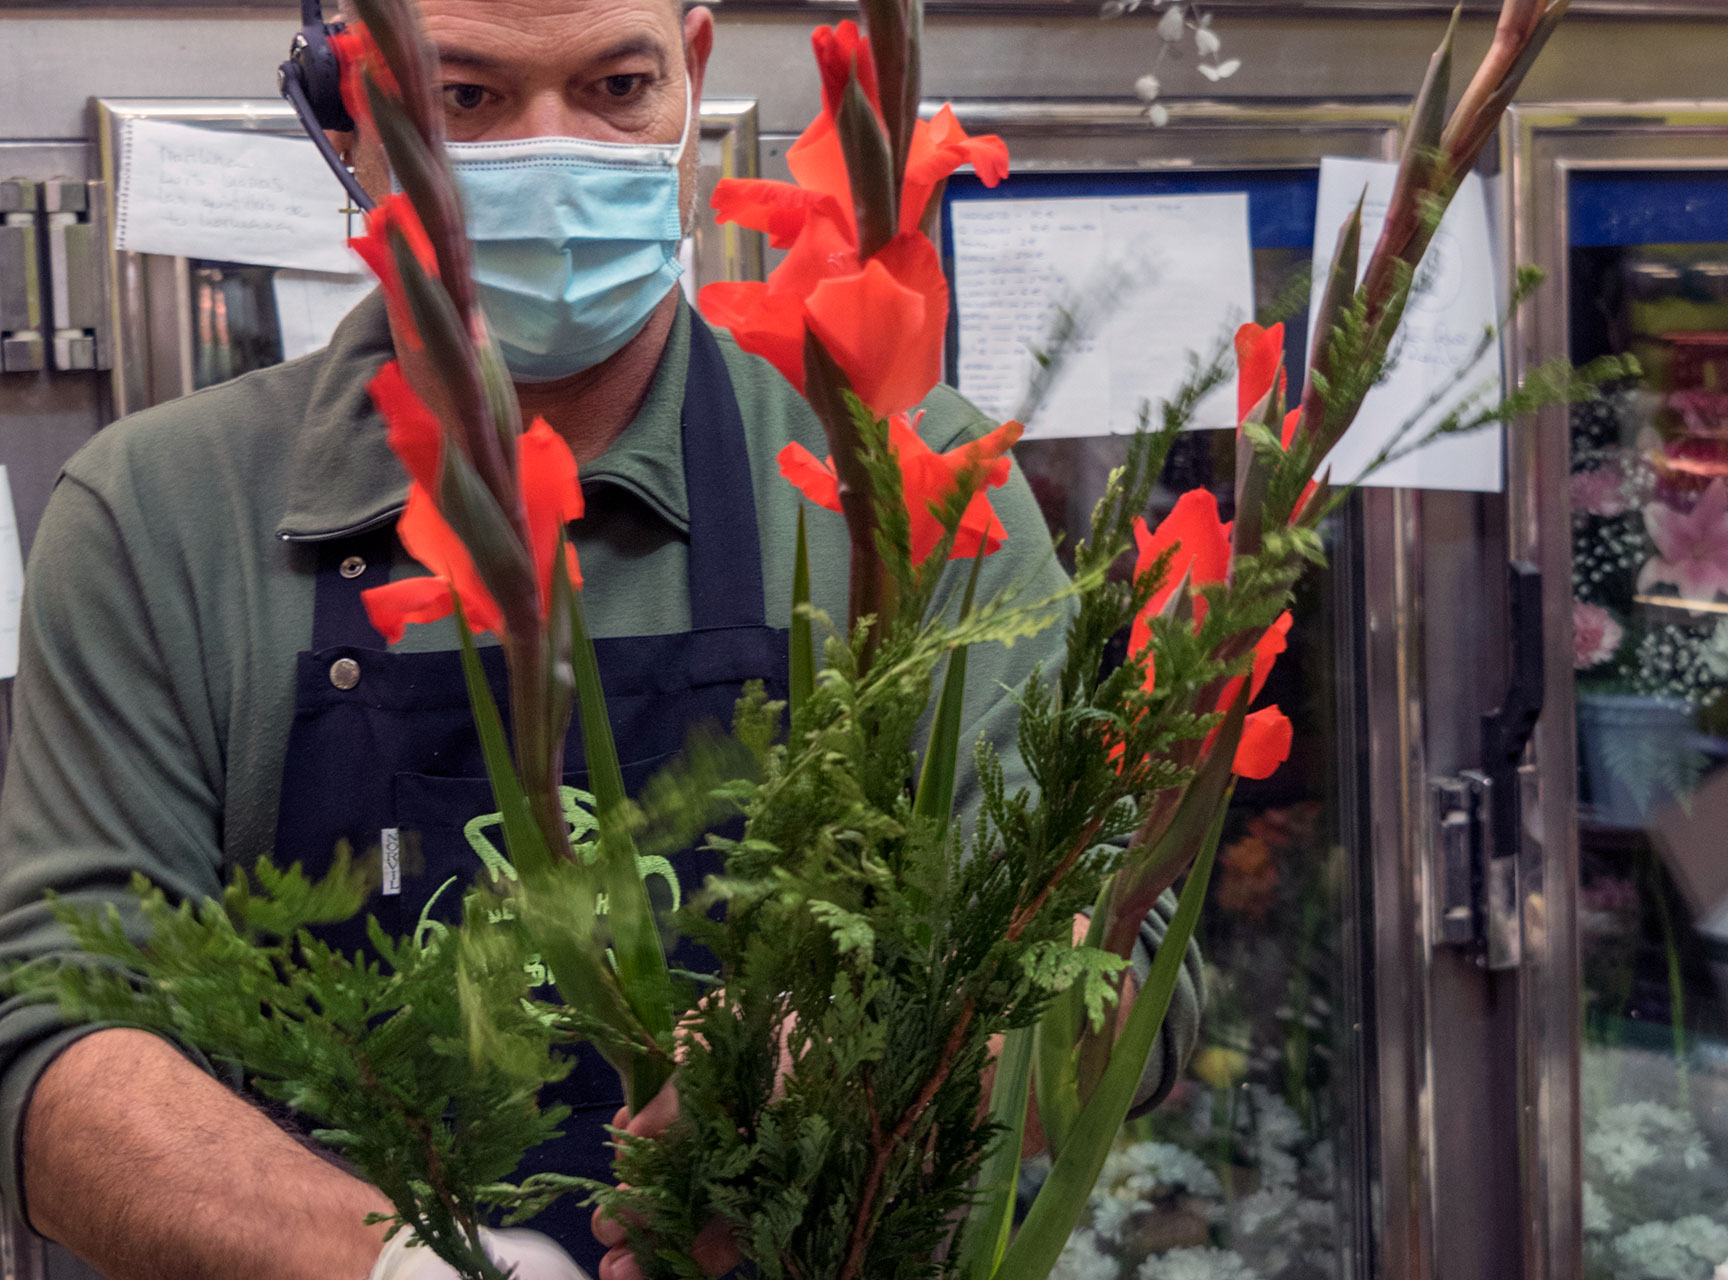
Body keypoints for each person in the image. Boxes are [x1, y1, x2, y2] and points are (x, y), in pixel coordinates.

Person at [0, 2, 1203, 1277]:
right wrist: (396, 1262)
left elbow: (1119, 976)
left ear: (694, 68)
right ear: (351, 110)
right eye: (465, 98)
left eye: (617, 85)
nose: (552, 155)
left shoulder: (908, 469)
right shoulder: (160, 514)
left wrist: (867, 1056)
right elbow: (58, 1045)